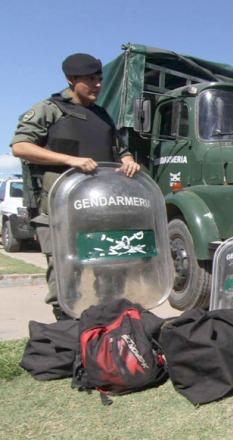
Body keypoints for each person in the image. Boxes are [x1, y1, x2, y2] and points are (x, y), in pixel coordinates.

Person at [10, 53, 141, 320]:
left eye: (100, 79)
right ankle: (66, 329)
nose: (98, 85)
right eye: (90, 79)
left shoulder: (102, 116)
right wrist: (70, 160)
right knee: (66, 275)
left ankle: (106, 326)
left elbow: (121, 150)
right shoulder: (50, 109)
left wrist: (128, 161)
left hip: (99, 210)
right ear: (71, 79)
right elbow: (20, 146)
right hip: (59, 210)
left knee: (109, 270)